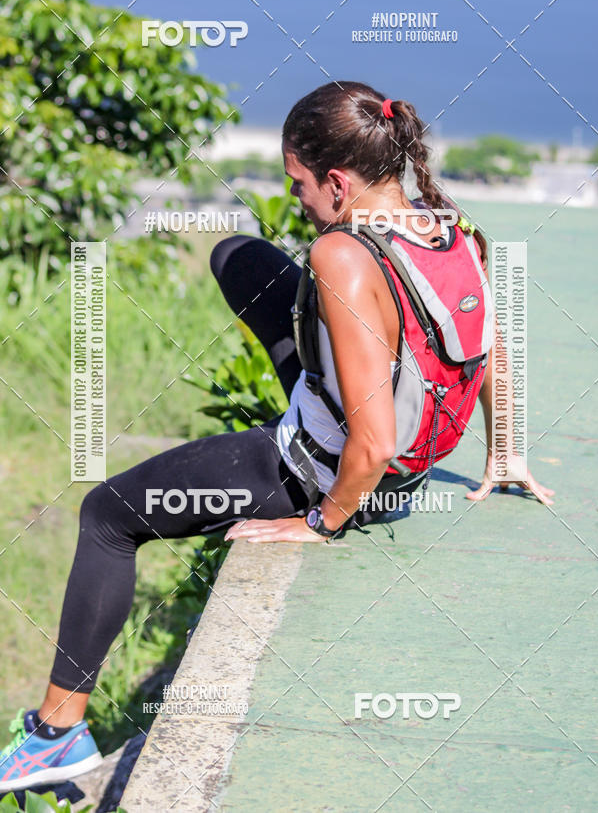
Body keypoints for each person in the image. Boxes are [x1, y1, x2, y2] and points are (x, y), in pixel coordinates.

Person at [0, 80, 554, 792]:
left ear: (336, 180)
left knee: (106, 516)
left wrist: (320, 522)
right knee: (239, 257)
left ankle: (55, 736)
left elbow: (375, 443)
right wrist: (503, 450)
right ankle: (317, 394)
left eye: (299, 186)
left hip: (322, 471)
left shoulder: (343, 257)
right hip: (403, 453)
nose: (296, 200)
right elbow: (489, 345)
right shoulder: (445, 225)